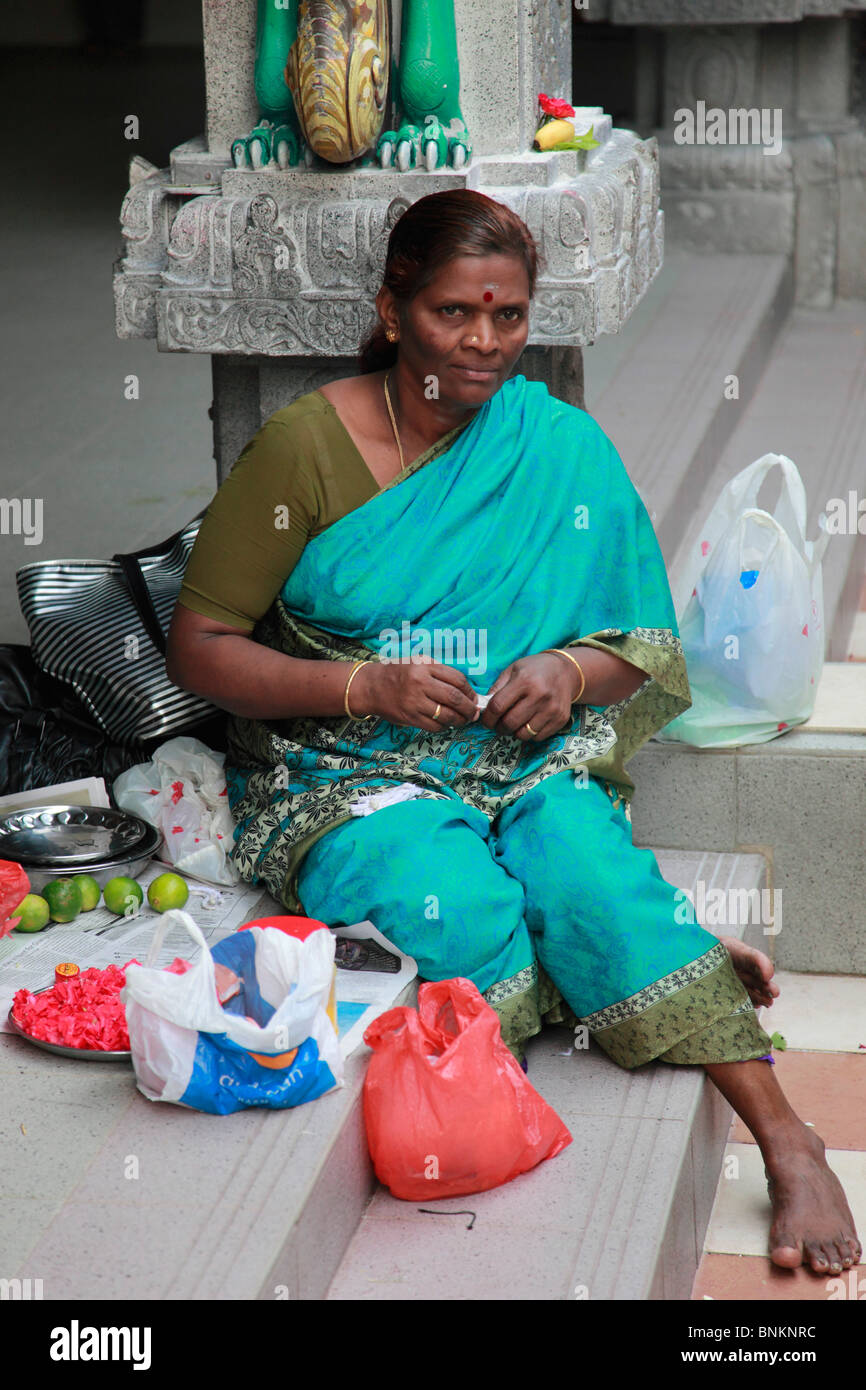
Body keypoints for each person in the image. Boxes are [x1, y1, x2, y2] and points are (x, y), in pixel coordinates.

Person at [167, 189, 860, 1278]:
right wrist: (361, 687)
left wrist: (564, 669)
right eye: (452, 313)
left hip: (521, 755)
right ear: (393, 309)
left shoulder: (555, 446)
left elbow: (635, 643)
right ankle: (640, 954)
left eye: (506, 315)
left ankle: (788, 1138)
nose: (483, 343)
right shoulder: (303, 448)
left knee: (585, 871)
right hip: (344, 769)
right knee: (460, 916)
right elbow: (200, 646)